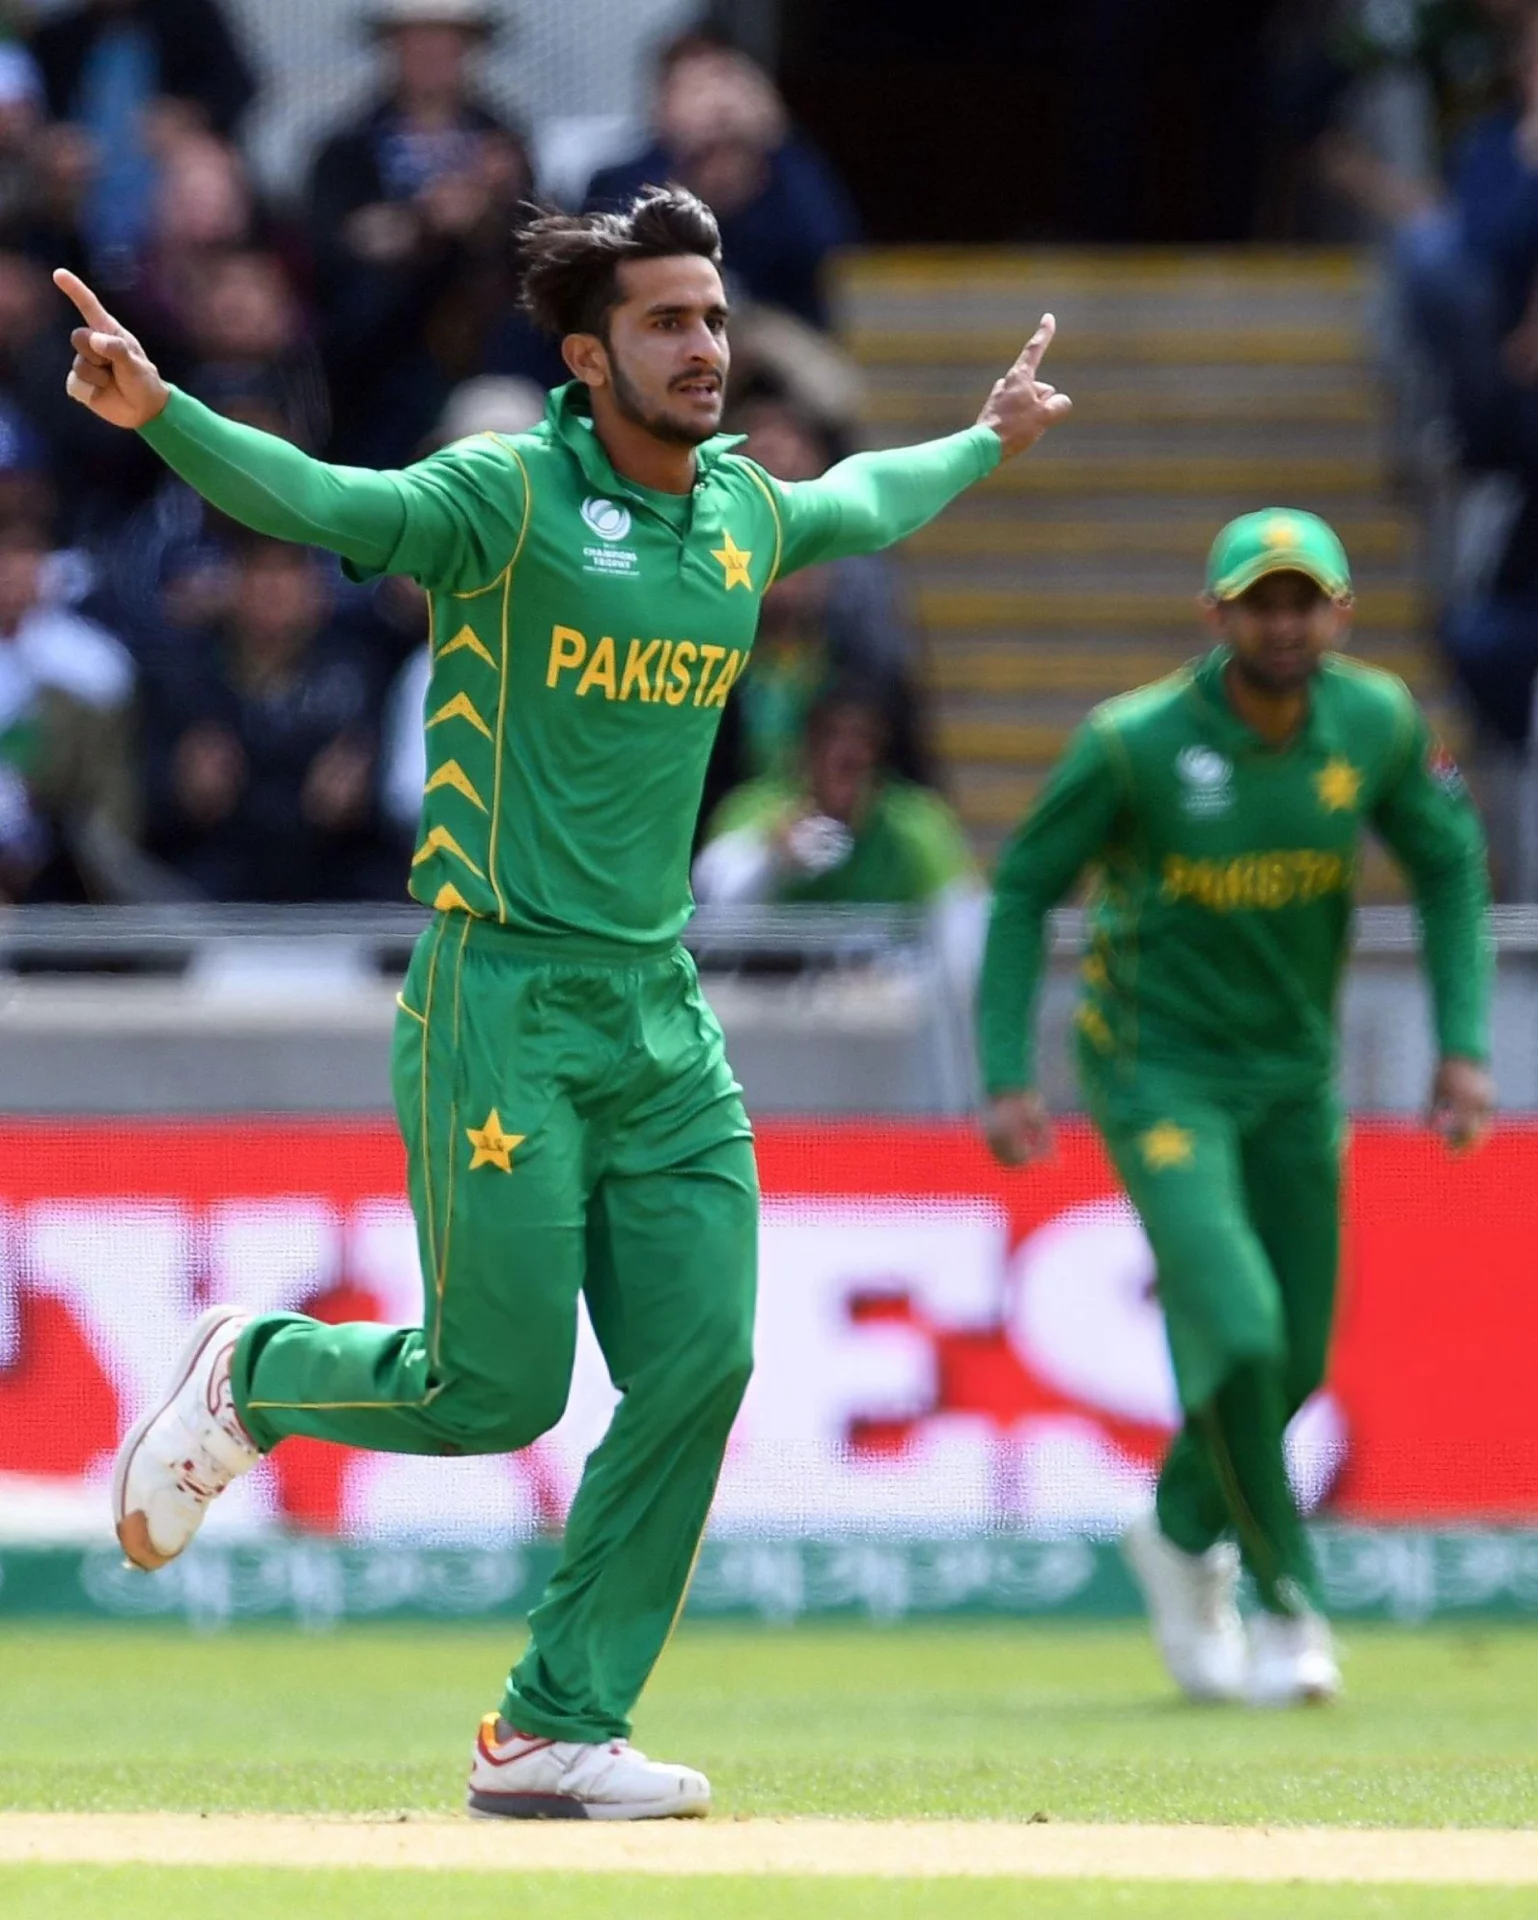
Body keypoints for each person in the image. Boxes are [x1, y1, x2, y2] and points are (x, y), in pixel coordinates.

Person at [58, 184, 1071, 1817]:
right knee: (495, 1395)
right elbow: (326, 501)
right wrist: (163, 412)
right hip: (501, 996)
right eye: (666, 322)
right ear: (589, 357)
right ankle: (255, 1376)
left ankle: (552, 1724)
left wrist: (981, 441)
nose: (704, 347)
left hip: (659, 1011)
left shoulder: (738, 512)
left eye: (714, 317)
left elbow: (861, 498)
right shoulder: (505, 499)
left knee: (703, 1362)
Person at [976, 509, 1494, 1707]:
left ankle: (1174, 1527)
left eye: (1302, 601)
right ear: (1213, 615)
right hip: (1154, 1074)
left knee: (1292, 1359)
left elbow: (1447, 864)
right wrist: (1003, 1072)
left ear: (1340, 613)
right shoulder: (1132, 743)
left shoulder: (1375, 722)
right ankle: (1287, 1607)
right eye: (1258, 603)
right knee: (1244, 1334)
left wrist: (1461, 1048)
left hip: (1293, 1079)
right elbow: (1021, 891)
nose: (1282, 624)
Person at [138, 533, 394, 902]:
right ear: (230, 585)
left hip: (334, 873)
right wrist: (183, 792)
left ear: (318, 591)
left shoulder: (359, 672)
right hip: (215, 875)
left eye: (290, 572)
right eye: (259, 572)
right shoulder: (185, 677)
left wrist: (363, 795)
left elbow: (397, 792)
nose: (274, 589)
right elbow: (146, 802)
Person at [583, 34, 858, 330]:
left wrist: (779, 140)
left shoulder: (787, 172)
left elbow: (832, 249)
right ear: (660, 108)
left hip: (776, 338)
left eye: (731, 84)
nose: (719, 106)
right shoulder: (620, 184)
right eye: (697, 89)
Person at [694, 681, 976, 912]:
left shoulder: (917, 825)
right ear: (806, 747)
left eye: (862, 739)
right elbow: (710, 900)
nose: (845, 754)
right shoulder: (753, 808)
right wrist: (773, 859)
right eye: (831, 737)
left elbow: (962, 916)